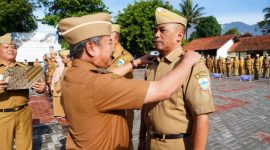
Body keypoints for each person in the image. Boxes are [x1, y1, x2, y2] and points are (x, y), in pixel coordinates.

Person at [58, 13, 201, 149]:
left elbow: (106, 76)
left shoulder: (71, 73)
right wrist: (188, 62)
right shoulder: (97, 83)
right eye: (109, 43)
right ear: (91, 48)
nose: (113, 48)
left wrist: (136, 62)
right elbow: (162, 90)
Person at [139, 7, 215, 150]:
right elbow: (146, 107)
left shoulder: (191, 64)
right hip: (150, 142)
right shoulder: (152, 65)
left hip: (176, 144)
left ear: (179, 35)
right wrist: (142, 140)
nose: (156, 34)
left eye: (162, 30)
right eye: (155, 30)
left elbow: (201, 117)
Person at [0, 33, 46, 150]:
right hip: (2, 115)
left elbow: (38, 88)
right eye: (6, 47)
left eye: (14, 47)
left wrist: (42, 88)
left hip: (23, 113)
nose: (11, 49)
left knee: (26, 147)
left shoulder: (24, 68)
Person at [108, 24, 135, 150]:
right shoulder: (108, 56)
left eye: (109, 40)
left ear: (116, 40)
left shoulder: (125, 57)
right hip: (111, 103)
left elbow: (109, 75)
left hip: (123, 106)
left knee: (125, 138)